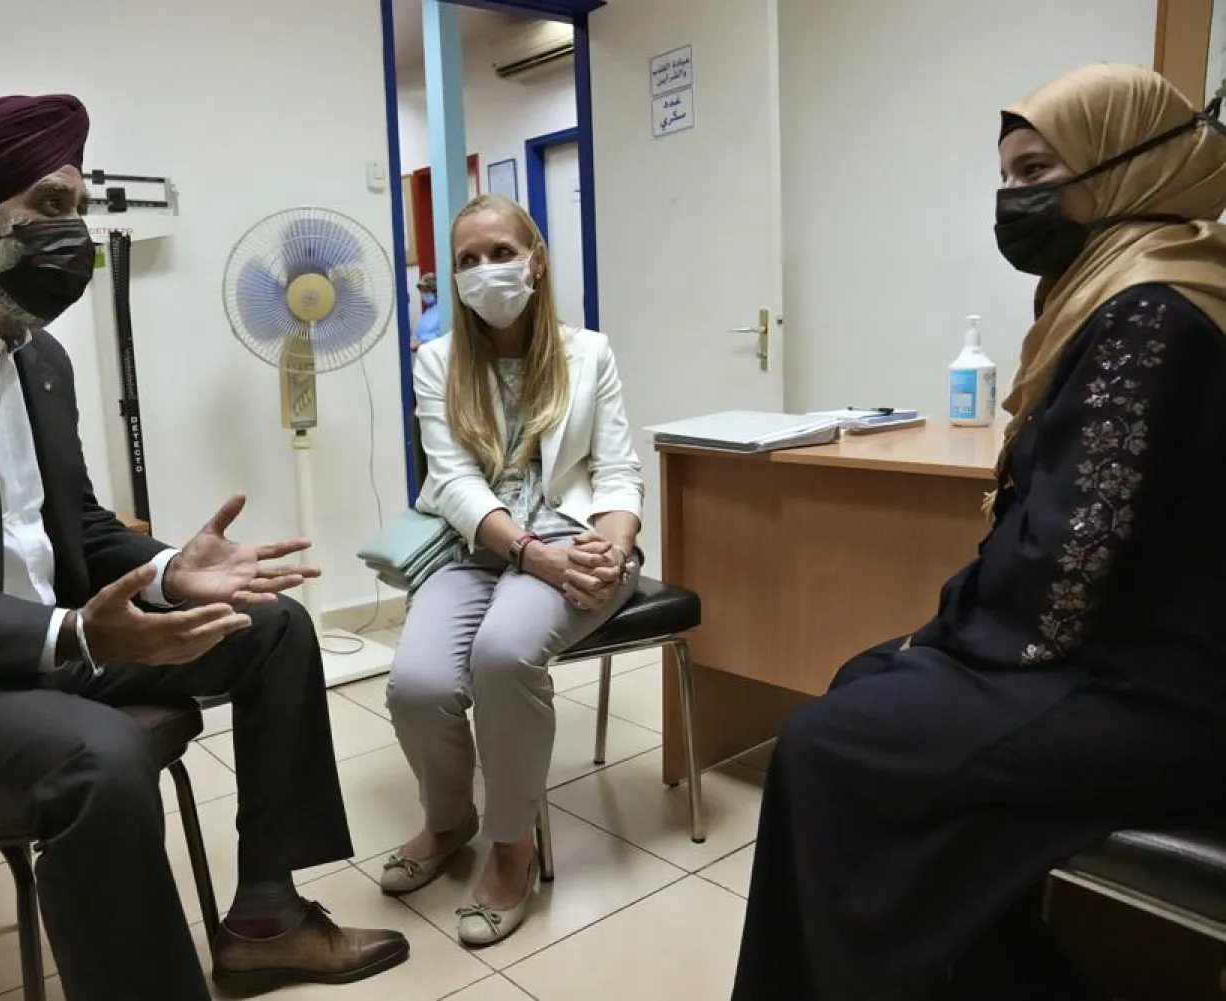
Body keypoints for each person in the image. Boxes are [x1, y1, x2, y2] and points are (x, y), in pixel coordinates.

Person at [0, 94, 407, 1001]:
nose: (78, 233)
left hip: (45, 649)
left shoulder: (37, 356)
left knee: (276, 626)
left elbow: (79, 527)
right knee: (98, 756)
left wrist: (174, 570)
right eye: (50, 208)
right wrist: (77, 637)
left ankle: (267, 921)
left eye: (78, 206)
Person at [731, 64, 1226, 1001]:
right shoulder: (1135, 290)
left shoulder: (1154, 314)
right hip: (1117, 646)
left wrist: (948, 630)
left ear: (1131, 166)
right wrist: (947, 632)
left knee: (823, 747)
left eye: (1037, 169)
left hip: (1162, 681)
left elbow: (1066, 570)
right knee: (859, 683)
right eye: (1003, 177)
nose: (1013, 199)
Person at [380, 194, 645, 947]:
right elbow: (457, 483)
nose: (485, 270)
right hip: (484, 548)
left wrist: (612, 546)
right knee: (418, 684)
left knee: (503, 654)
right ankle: (449, 817)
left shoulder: (589, 352)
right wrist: (531, 554)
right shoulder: (437, 362)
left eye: (501, 252)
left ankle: (511, 845)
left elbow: (619, 470)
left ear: (537, 259)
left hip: (580, 536)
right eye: (467, 260)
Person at [412, 272, 445, 351]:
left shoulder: (442, 310)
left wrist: (421, 342)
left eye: (426, 291)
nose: (423, 294)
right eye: (422, 291)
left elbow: (442, 335)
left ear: (435, 291)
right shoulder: (428, 312)